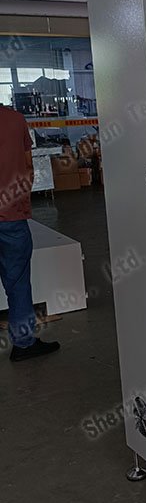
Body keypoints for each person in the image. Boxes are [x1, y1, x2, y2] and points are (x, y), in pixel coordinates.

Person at [0, 104, 60, 361]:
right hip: (10, 216)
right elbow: (28, 166)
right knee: (17, 283)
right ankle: (23, 344)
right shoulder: (15, 120)